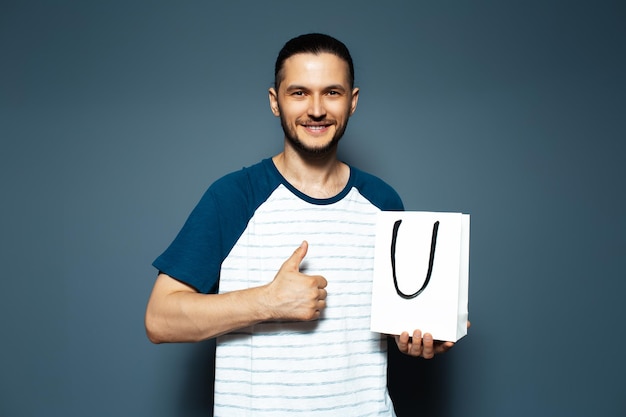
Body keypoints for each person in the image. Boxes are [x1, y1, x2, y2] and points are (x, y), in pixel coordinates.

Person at [146, 33, 457, 416]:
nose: (316, 109)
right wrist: (268, 301)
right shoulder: (233, 197)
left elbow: (389, 323)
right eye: (298, 93)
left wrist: (417, 335)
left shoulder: (384, 202)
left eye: (331, 92)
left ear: (352, 102)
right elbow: (160, 320)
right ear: (275, 102)